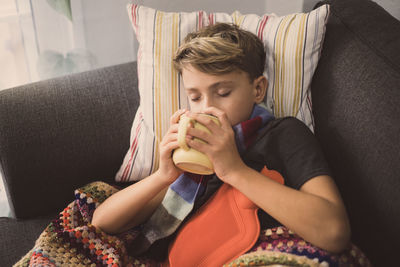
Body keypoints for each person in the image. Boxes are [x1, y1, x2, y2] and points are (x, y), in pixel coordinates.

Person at [92, 23, 351, 261]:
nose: (206, 108)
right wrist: (163, 175)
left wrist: (233, 170)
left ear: (258, 89)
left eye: (223, 92)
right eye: (194, 97)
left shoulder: (284, 134)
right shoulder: (189, 158)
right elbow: (102, 223)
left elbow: (333, 231)